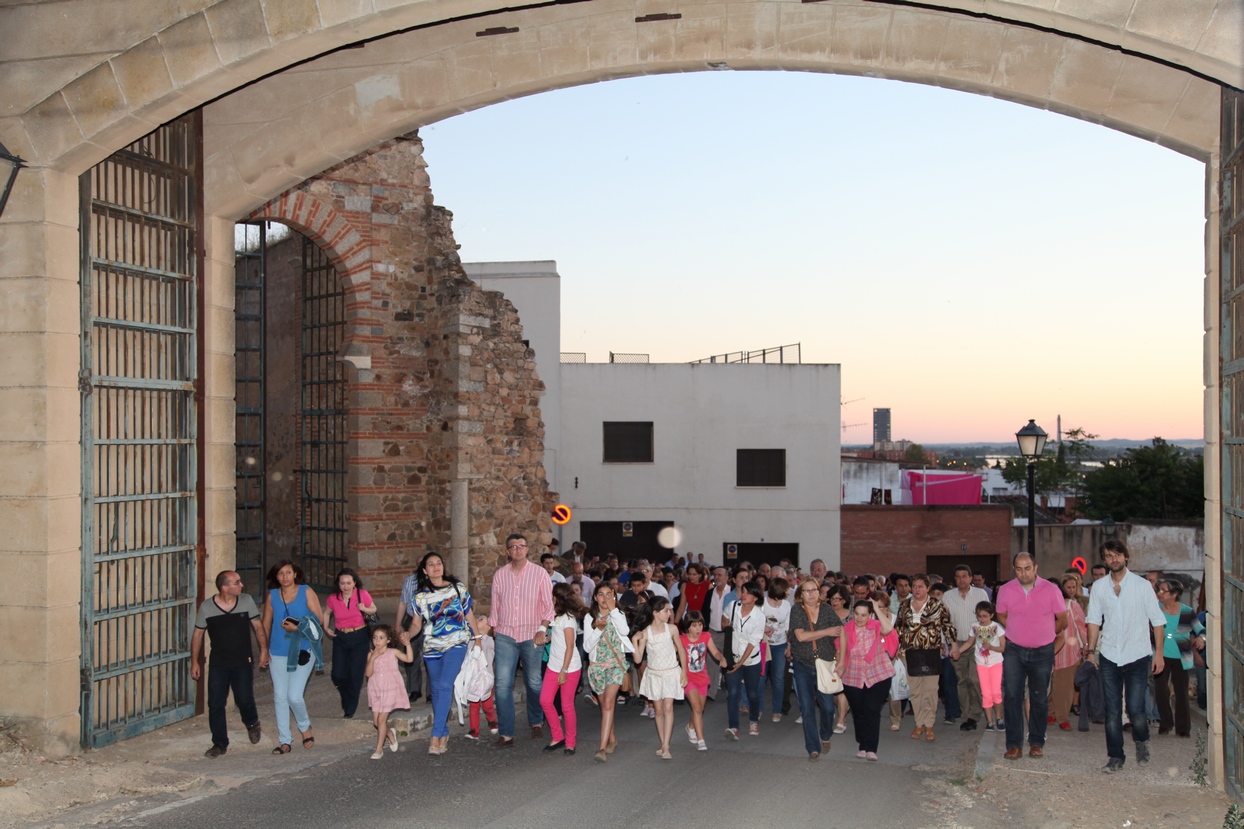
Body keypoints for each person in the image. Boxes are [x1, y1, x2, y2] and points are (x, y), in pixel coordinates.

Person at [1086, 539, 1168, 773]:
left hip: (1138, 654)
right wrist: (1091, 652)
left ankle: (1141, 741)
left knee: (1135, 708)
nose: (1114, 559)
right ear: (1105, 559)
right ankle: (1115, 757)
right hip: (1110, 655)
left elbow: (1158, 621)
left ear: (1126, 557)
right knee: (1112, 710)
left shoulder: (1142, 586)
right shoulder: (1100, 587)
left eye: (1117, 555)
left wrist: (1158, 654)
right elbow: (1093, 621)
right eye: (1109, 556)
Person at [405, 551, 479, 755]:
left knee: (446, 685)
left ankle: (436, 734)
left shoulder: (457, 588)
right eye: (431, 564)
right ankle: (444, 731)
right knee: (436, 690)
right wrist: (407, 635)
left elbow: (469, 614)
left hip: (457, 642)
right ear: (424, 570)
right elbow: (416, 624)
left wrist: (478, 638)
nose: (436, 567)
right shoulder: (419, 597)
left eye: (439, 563)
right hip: (432, 647)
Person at [995, 552, 1068, 760]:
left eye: (1027, 568)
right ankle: (1014, 744)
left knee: (1039, 697)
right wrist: (1015, 630)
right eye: (1019, 569)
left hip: (1043, 651)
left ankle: (1036, 742)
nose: (1023, 573)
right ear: (1014, 569)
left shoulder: (1051, 589)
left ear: (1035, 568)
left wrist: (1047, 634)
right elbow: (1000, 614)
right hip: (1015, 650)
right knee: (1012, 696)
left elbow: (1062, 619)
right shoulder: (1006, 590)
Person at [191, 570, 268, 757]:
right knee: (216, 703)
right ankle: (219, 743)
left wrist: (264, 650)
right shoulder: (207, 607)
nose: (241, 585)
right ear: (225, 587)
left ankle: (252, 723)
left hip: (242, 660)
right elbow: (198, 634)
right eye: (237, 582)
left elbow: (258, 626)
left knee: (244, 699)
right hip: (219, 662)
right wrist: (195, 662)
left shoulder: (246, 601)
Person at [489, 533, 554, 748]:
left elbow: (548, 607)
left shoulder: (540, 574)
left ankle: (536, 720)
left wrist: (542, 629)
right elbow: (495, 604)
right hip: (506, 634)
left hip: (531, 634)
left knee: (534, 681)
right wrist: (495, 628)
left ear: (527, 549)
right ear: (507, 551)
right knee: (502, 684)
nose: (517, 550)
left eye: (521, 546)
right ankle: (506, 733)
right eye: (513, 547)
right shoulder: (500, 575)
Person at [261, 559, 323, 755]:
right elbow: (266, 624)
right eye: (280, 574)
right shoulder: (272, 596)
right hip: (278, 651)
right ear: (276, 577)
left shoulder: (306, 591)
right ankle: (284, 740)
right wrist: (263, 649)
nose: (284, 577)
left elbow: (318, 618)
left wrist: (299, 627)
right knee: (280, 696)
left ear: (295, 573)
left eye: (288, 572)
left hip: (304, 649)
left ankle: (305, 728)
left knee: (294, 696)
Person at [896, 574, 956, 742]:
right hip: (910, 652)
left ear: (928, 588)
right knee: (915, 691)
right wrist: (896, 648)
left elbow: (948, 626)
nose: (917, 590)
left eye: (920, 586)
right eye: (914, 586)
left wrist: (954, 646)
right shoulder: (905, 606)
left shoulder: (937, 606)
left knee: (930, 690)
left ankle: (929, 725)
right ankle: (918, 724)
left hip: (931, 652)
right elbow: (898, 629)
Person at [788, 577, 841, 760]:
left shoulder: (826, 610)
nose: (811, 594)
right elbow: (801, 637)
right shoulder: (797, 610)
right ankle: (813, 747)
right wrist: (826, 632)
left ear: (819, 592)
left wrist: (840, 661)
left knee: (827, 707)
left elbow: (840, 632)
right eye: (807, 591)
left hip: (825, 665)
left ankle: (825, 734)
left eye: (814, 590)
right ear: (800, 595)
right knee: (807, 707)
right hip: (803, 664)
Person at [838, 598, 896, 761]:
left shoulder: (876, 625)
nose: (859, 618)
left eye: (864, 615)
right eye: (856, 614)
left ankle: (870, 748)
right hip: (853, 675)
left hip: (878, 673)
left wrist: (877, 609)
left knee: (871, 709)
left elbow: (888, 629)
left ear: (870, 615)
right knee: (858, 711)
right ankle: (862, 743)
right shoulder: (846, 629)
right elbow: (840, 650)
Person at [632, 597, 688, 759]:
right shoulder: (646, 633)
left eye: (669, 610)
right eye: (666, 611)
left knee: (668, 707)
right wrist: (635, 640)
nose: (670, 613)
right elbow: (637, 659)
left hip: (671, 672)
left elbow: (681, 651)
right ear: (655, 613)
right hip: (655, 674)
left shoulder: (672, 629)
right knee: (658, 710)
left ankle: (666, 745)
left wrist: (684, 671)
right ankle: (663, 742)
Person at [584, 583, 632, 762]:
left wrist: (613, 611)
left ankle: (602, 748)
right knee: (604, 705)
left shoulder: (618, 614)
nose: (605, 598)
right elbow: (587, 647)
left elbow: (625, 631)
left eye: (609, 594)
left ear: (614, 596)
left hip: (615, 665)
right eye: (601, 594)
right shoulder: (590, 617)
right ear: (595, 597)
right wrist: (598, 629)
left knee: (609, 702)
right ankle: (612, 739)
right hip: (597, 666)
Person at [323, 568, 377, 719]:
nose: (345, 586)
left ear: (354, 583)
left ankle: (350, 708)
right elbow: (326, 612)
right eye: (342, 583)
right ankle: (346, 695)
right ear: (338, 584)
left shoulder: (362, 594)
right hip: (341, 636)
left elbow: (374, 609)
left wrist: (364, 608)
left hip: (359, 636)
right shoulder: (334, 598)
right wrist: (326, 627)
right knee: (337, 674)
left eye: (348, 583)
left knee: (355, 674)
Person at [1153, 578, 1203, 738]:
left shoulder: (1187, 611)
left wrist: (1202, 639)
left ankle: (1183, 728)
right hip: (1161, 656)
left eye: (1163, 590)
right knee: (1161, 689)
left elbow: (1201, 630)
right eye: (1159, 590)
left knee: (1181, 692)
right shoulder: (1155, 609)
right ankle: (1166, 723)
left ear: (1174, 594)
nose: (1159, 593)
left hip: (1182, 657)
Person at [540, 582, 585, 755]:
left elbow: (570, 646)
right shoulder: (557, 617)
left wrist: (564, 671)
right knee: (545, 700)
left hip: (569, 668)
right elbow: (555, 633)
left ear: (557, 598)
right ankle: (558, 736)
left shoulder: (568, 620)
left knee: (566, 706)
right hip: (554, 665)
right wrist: (546, 639)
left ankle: (570, 742)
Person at [944, 564, 990, 731]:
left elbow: (986, 619)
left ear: (971, 578)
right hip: (957, 643)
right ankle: (966, 716)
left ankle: (975, 714)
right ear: (955, 579)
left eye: (965, 576)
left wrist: (987, 644)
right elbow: (945, 622)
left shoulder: (980, 594)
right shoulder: (948, 596)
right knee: (962, 681)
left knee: (975, 679)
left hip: (977, 644)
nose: (961, 579)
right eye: (958, 576)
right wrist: (948, 644)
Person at [724, 581, 766, 740]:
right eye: (743, 591)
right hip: (732, 655)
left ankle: (754, 720)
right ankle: (734, 727)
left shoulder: (759, 616)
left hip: (751, 660)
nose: (743, 595)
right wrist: (725, 624)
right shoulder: (733, 606)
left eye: (747, 593)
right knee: (733, 693)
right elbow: (725, 617)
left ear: (755, 597)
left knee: (752, 693)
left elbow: (753, 642)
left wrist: (740, 663)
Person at [365, 624, 413, 759]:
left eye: (381, 638)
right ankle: (390, 734)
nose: (377, 641)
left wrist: (407, 644)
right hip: (375, 689)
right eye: (375, 638)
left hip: (390, 689)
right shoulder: (371, 654)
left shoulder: (393, 652)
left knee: (381, 720)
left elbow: (409, 659)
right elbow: (368, 674)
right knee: (376, 722)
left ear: (388, 640)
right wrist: (373, 658)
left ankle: (378, 749)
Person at [679, 611, 726, 751]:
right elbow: (673, 653)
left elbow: (715, 652)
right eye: (694, 625)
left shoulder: (706, 637)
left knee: (699, 708)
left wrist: (721, 658)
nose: (698, 628)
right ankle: (701, 740)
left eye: (700, 625)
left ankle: (691, 726)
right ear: (688, 627)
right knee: (697, 708)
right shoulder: (682, 639)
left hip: (702, 678)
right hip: (688, 679)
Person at [1051, 571, 1089, 731]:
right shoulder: (1044, 606)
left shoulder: (1072, 605)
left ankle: (1063, 717)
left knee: (1064, 685)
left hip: (1068, 650)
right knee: (1052, 684)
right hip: (1048, 649)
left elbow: (1082, 626)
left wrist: (1087, 645)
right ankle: (1051, 712)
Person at [969, 601, 1006, 731]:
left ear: (991, 615)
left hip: (995, 663)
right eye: (979, 616)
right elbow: (970, 642)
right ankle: (989, 721)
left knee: (996, 692)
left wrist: (991, 647)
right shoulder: (974, 627)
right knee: (986, 694)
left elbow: (1004, 648)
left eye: (985, 616)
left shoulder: (998, 628)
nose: (981, 619)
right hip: (981, 663)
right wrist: (958, 650)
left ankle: (999, 718)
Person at [761, 578, 791, 722]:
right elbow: (755, 621)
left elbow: (788, 627)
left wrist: (789, 646)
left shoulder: (786, 605)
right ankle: (758, 708)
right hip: (763, 644)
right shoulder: (762, 603)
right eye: (786, 589)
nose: (789, 592)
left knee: (778, 678)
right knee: (761, 677)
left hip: (780, 645)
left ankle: (777, 709)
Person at [465, 614, 499, 740]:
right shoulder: (470, 640)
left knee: (487, 705)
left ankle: (492, 720)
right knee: (473, 705)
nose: (477, 620)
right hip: (473, 680)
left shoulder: (489, 641)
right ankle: (474, 731)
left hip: (486, 680)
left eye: (481, 619)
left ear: (488, 627)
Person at [394, 568, 426, 703]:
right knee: (410, 655)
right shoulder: (409, 581)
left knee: (431, 657)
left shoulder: (437, 582)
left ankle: (431, 693)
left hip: (430, 623)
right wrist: (398, 624)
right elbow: (403, 602)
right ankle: (414, 690)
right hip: (412, 620)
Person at [705, 566, 731, 699]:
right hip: (712, 632)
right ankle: (711, 693)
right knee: (711, 662)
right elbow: (705, 612)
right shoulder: (710, 593)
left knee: (729, 662)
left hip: (727, 634)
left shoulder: (732, 593)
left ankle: (732, 691)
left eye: (720, 575)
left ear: (727, 577)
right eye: (715, 575)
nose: (717, 577)